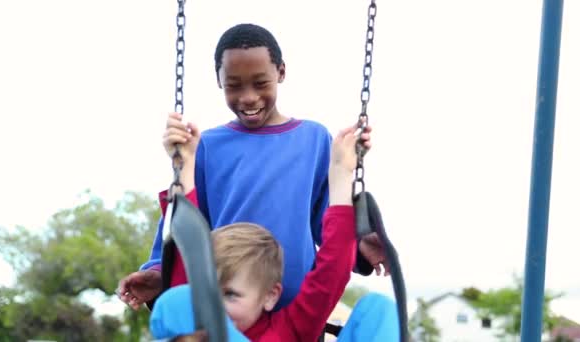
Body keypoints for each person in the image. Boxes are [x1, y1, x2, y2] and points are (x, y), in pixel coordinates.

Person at [117, 23, 388, 311]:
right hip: (229, 311)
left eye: (260, 83)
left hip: (297, 312)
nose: (248, 97)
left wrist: (360, 242)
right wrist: (158, 270)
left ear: (280, 72)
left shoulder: (314, 139)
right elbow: (186, 217)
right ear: (219, 80)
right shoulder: (206, 146)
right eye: (234, 85)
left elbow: (326, 218)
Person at [148, 117, 398, 341]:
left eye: (231, 294)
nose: (215, 309)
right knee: (179, 302)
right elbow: (187, 245)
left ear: (269, 296)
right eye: (209, 293)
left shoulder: (287, 330)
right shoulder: (194, 322)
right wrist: (186, 166)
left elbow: (332, 271)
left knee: (379, 310)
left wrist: (341, 173)